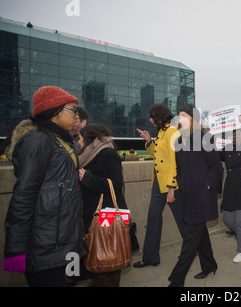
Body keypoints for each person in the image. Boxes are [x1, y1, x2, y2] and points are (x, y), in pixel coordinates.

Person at [3, 86, 85, 287]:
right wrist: (16, 248)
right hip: (44, 244)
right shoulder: (38, 141)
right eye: (72, 110)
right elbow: (24, 195)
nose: (76, 116)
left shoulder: (61, 141)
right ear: (54, 111)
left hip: (62, 240)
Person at [168, 104, 223, 287]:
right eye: (179, 116)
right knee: (199, 233)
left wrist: (209, 185)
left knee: (190, 239)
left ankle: (177, 279)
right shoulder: (179, 141)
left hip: (202, 196)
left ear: (193, 119)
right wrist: (180, 184)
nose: (180, 119)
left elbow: (216, 166)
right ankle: (209, 265)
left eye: (184, 115)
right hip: (187, 195)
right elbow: (180, 168)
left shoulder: (204, 137)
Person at [133, 104, 185, 268]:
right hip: (157, 182)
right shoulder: (161, 132)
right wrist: (149, 141)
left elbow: (174, 162)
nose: (149, 119)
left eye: (152, 116)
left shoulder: (172, 132)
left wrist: (171, 187)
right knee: (153, 218)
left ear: (160, 116)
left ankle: (194, 248)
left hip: (171, 184)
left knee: (183, 221)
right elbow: (158, 155)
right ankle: (150, 258)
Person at [77, 124, 129, 286]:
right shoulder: (90, 154)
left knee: (107, 254)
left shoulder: (106, 154)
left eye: (80, 138)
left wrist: (88, 179)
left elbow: (115, 184)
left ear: (89, 138)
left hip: (107, 213)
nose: (78, 141)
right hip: (97, 211)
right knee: (104, 256)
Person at [219, 128, 241, 263]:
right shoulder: (227, 148)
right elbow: (212, 154)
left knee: (240, 221)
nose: (236, 136)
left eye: (239, 133)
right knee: (228, 219)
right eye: (234, 134)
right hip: (230, 188)